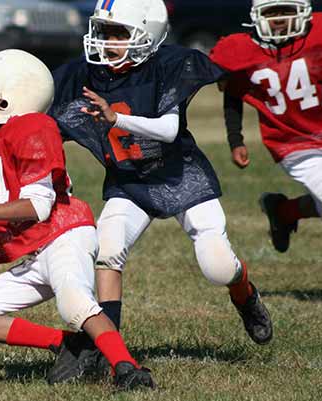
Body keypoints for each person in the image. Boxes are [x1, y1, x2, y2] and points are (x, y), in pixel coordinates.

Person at [0, 49, 154, 390]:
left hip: (64, 233)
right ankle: (69, 344)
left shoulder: (33, 126)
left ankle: (127, 369)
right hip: (36, 250)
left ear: (13, 95)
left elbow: (38, 206)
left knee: (75, 305)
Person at [49, 0, 273, 360]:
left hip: (180, 174)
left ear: (147, 34)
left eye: (118, 33)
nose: (107, 42)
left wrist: (116, 120)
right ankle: (110, 348)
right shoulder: (83, 74)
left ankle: (244, 293)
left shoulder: (168, 65)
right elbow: (40, 114)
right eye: (103, 32)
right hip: (129, 180)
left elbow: (168, 132)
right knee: (107, 251)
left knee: (217, 267)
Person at [210, 0, 322, 253]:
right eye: (272, 12)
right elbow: (233, 94)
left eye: (286, 10)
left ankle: (282, 211)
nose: (279, 18)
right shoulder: (243, 51)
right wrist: (235, 139)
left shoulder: (317, 34)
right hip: (293, 143)